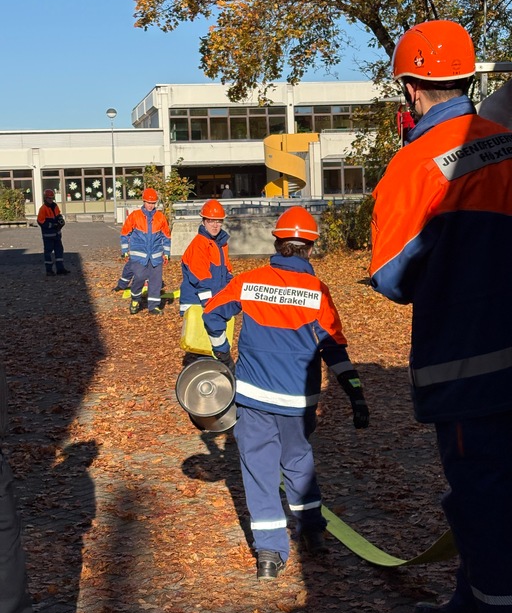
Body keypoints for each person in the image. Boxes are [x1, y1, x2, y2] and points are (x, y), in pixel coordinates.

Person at [369, 20, 512, 613]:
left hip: (466, 364)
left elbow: (394, 279)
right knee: (490, 490)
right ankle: (471, 597)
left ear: (410, 87)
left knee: (481, 498)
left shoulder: (413, 167)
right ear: (465, 78)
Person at [202, 206, 370, 580]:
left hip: (252, 398)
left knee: (259, 471)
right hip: (298, 401)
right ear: (309, 247)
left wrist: (221, 354)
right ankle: (312, 533)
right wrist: (355, 394)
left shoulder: (249, 282)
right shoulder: (317, 292)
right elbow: (334, 350)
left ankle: (269, 555)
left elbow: (211, 315)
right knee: (298, 462)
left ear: (277, 242)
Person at [179, 199, 233, 363]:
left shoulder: (220, 244)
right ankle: (207, 366)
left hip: (210, 301)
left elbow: (227, 271)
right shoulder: (200, 244)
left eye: (218, 221)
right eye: (211, 221)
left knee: (207, 343)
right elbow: (200, 277)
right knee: (203, 342)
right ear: (203, 221)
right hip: (197, 302)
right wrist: (210, 303)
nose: (215, 225)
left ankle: (206, 365)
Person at [119, 188, 171, 316]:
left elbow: (166, 236)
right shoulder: (135, 216)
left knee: (156, 281)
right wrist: (125, 250)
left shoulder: (160, 217)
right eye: (148, 202)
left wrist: (167, 253)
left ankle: (153, 306)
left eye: (153, 203)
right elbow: (125, 233)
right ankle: (135, 299)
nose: (150, 205)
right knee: (140, 277)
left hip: (155, 256)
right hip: (138, 255)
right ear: (143, 201)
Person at [37, 189, 70, 276]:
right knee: (48, 253)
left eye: (52, 198)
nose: (51, 200)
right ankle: (49, 270)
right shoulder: (43, 209)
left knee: (59, 251)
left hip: (57, 234)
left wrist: (61, 220)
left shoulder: (55, 206)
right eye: (49, 198)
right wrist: (53, 225)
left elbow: (58, 215)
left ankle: (60, 269)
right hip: (48, 236)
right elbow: (41, 221)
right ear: (45, 198)